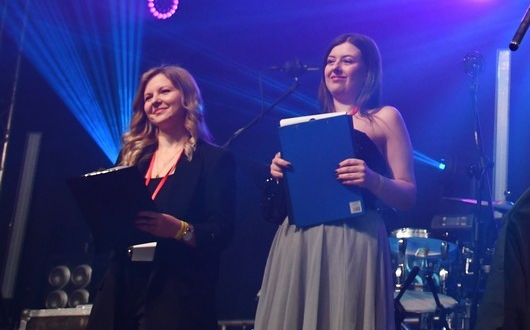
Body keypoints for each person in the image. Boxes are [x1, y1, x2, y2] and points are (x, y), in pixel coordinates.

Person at [255, 33, 417, 330]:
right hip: (300, 240)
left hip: (354, 239)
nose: (335, 67)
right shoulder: (305, 127)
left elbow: (408, 195)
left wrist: (373, 180)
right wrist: (278, 172)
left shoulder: (385, 117)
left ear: (368, 71)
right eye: (330, 61)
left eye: (347, 60)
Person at [87, 66, 236, 330]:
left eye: (164, 91)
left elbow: (220, 233)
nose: (155, 101)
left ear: (186, 97)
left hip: (174, 292)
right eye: (148, 97)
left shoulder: (213, 160)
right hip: (120, 284)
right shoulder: (132, 158)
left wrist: (177, 229)